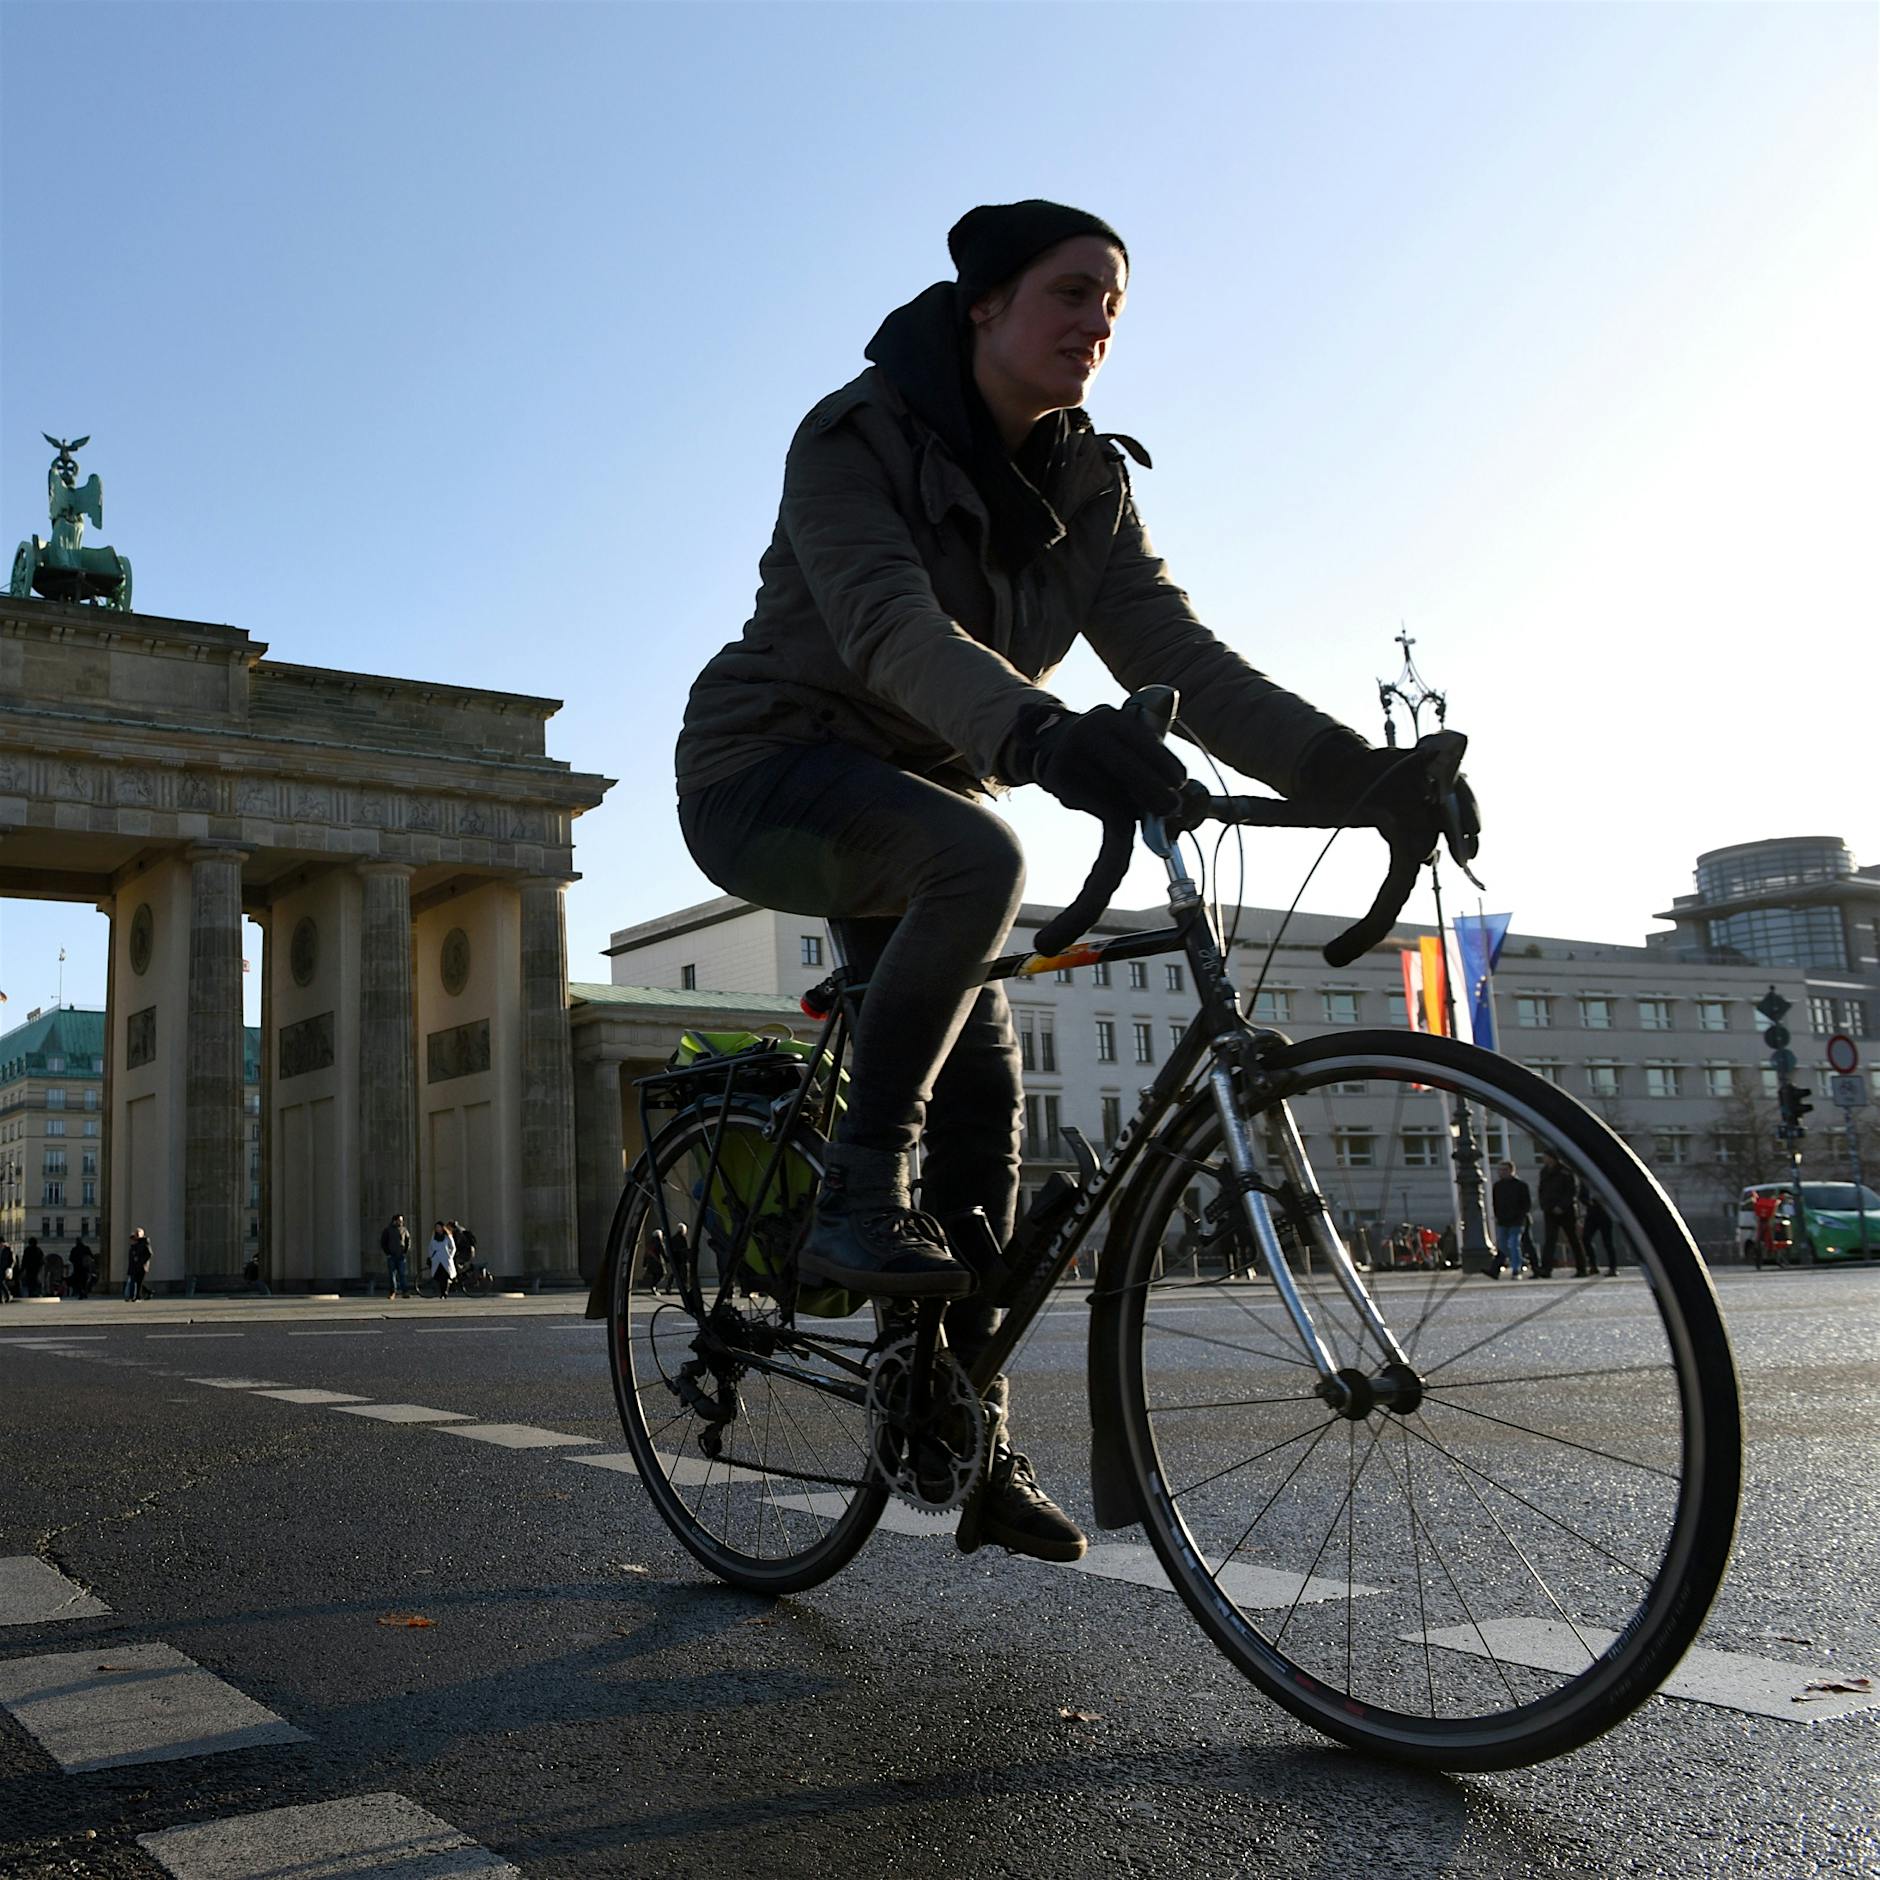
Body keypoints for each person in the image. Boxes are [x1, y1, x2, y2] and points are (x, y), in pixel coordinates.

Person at [673, 199, 1471, 1564]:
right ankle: (856, 1189)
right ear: (983, 304)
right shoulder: (853, 436)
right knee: (984, 854)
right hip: (770, 774)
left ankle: (953, 1421)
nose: (1099, 319)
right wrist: (1045, 737)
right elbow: (885, 627)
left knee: (988, 1112)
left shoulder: (1088, 484)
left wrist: (1357, 775)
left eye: (1115, 301)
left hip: (922, 800)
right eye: (1071, 291)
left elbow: (1188, 659)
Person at [1538, 1149, 1589, 1278]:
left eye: (1546, 1156)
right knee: (1550, 1239)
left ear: (1553, 1158)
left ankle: (1582, 1268)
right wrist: (1544, 1205)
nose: (1544, 1159)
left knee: (1573, 1239)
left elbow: (1570, 1191)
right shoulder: (1544, 1172)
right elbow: (1542, 1190)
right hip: (1549, 1210)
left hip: (1565, 1211)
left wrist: (1561, 1206)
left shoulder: (1565, 1172)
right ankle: (1546, 1269)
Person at [1490, 1161, 1531, 1280]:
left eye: (1504, 1170)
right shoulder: (1497, 1186)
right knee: (1502, 1245)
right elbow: (1496, 1203)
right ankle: (1520, 1260)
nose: (1501, 1172)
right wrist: (1497, 1216)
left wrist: (1521, 1215)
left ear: (1511, 1171)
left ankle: (1516, 1269)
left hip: (1516, 1220)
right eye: (1500, 1170)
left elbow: (1526, 1203)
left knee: (1513, 1244)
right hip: (1503, 1220)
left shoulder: (1520, 1185)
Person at [1581, 1181, 1617, 1276]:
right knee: (1586, 1238)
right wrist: (1588, 1202)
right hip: (1591, 1213)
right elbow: (1581, 1195)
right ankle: (1593, 1265)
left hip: (1605, 1213)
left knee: (1607, 1241)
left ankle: (1612, 1267)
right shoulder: (1585, 1179)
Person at [380, 1213, 412, 1299]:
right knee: (392, 1275)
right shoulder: (387, 1230)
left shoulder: (404, 1230)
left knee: (402, 1274)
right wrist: (388, 1253)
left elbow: (408, 1241)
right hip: (392, 1256)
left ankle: (405, 1291)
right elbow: (383, 1243)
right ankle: (393, 1292)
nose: (401, 1222)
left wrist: (405, 1251)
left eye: (402, 1221)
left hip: (401, 1256)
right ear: (394, 1221)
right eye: (399, 1220)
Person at [427, 1220, 456, 1298]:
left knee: (445, 1276)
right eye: (436, 1227)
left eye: (439, 1227)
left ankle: (444, 1292)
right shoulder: (434, 1237)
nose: (437, 1229)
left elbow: (453, 1247)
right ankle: (441, 1291)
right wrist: (431, 1256)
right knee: (439, 1277)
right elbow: (430, 1247)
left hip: (445, 1259)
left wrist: (450, 1256)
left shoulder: (447, 1237)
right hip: (437, 1260)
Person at [125, 1228, 153, 1301]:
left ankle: (138, 1296)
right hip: (137, 1265)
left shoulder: (144, 1243)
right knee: (137, 1281)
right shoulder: (138, 1244)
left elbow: (149, 1254)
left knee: (138, 1281)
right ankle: (144, 1294)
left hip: (142, 1266)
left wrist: (141, 1261)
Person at [68, 1234, 96, 1300]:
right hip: (85, 1267)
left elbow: (70, 1258)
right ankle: (85, 1292)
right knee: (85, 1280)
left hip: (77, 1268)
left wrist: (75, 1261)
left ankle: (81, 1292)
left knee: (79, 1281)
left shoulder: (74, 1249)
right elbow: (92, 1256)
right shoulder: (86, 1248)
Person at [0, 1239, 14, 1304]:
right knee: (1, 1282)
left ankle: (8, 1295)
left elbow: (13, 1260)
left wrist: (10, 1267)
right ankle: (3, 1297)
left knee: (1, 1282)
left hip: (4, 1268)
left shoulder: (8, 1249)